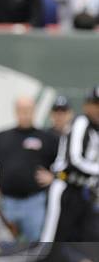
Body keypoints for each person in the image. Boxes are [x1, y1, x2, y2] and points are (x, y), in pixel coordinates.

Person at [0, 96, 58, 241]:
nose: (25, 113)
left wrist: (54, 176)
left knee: (35, 244)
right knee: (5, 242)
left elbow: (63, 163)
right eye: (21, 109)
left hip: (35, 201)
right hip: (7, 202)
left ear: (35, 111)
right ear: (15, 111)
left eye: (29, 109)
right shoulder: (1, 138)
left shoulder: (48, 138)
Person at [41, 87, 99, 242]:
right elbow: (75, 160)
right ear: (87, 106)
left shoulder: (95, 130)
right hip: (65, 187)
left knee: (87, 241)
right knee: (49, 243)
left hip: (84, 191)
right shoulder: (82, 123)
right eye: (96, 104)